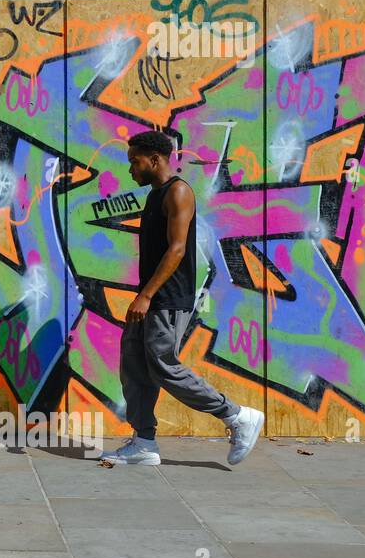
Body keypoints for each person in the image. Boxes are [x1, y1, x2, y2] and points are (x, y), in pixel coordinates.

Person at [102, 130, 264, 466]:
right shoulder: (154, 194)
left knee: (163, 366)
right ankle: (144, 442)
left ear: (155, 159)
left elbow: (176, 250)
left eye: (135, 161)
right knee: (134, 364)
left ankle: (237, 416)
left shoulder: (178, 192)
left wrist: (146, 295)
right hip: (150, 295)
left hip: (168, 297)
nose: (131, 169)